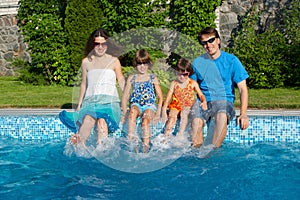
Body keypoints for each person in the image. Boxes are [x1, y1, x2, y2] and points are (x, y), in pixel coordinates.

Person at [59, 28, 125, 146]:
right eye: (97, 44)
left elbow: (121, 81)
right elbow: (84, 84)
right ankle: (80, 145)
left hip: (109, 103)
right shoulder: (86, 62)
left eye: (103, 43)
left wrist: (126, 102)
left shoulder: (114, 61)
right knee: (88, 118)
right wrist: (79, 105)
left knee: (102, 121)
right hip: (91, 102)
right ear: (92, 44)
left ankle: (101, 150)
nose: (100, 47)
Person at [190, 27, 250, 148]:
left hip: (224, 101)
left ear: (218, 40)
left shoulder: (232, 61)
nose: (208, 45)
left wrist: (243, 114)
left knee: (221, 116)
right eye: (204, 42)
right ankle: (197, 153)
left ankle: (212, 152)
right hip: (204, 101)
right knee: (196, 120)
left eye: (211, 40)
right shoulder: (197, 63)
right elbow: (190, 86)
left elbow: (243, 89)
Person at [121, 49, 163, 153]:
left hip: (150, 105)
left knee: (145, 120)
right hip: (136, 104)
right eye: (139, 63)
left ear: (149, 64)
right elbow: (125, 96)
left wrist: (158, 113)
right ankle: (131, 141)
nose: (142, 66)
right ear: (136, 64)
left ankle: (145, 147)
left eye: (145, 63)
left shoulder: (152, 77)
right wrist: (124, 112)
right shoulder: (132, 78)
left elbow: (160, 97)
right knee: (132, 112)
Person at [161, 58, 207, 147]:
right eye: (179, 74)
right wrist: (164, 109)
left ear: (189, 73)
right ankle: (165, 138)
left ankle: (180, 134)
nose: (182, 77)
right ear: (176, 72)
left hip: (187, 105)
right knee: (171, 118)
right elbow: (169, 97)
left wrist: (204, 101)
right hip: (176, 105)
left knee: (184, 112)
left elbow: (201, 95)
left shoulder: (193, 83)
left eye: (185, 74)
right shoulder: (174, 83)